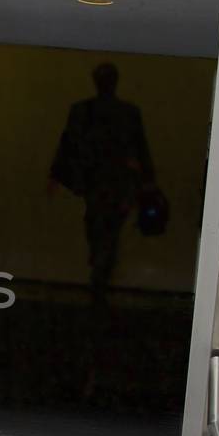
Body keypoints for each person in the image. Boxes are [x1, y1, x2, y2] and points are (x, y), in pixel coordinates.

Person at [49, 62, 155, 307]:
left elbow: (68, 144)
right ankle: (101, 271)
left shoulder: (82, 111)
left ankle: (99, 270)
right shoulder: (128, 113)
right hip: (115, 181)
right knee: (109, 228)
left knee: (98, 225)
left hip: (96, 181)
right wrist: (146, 179)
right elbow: (140, 148)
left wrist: (57, 175)